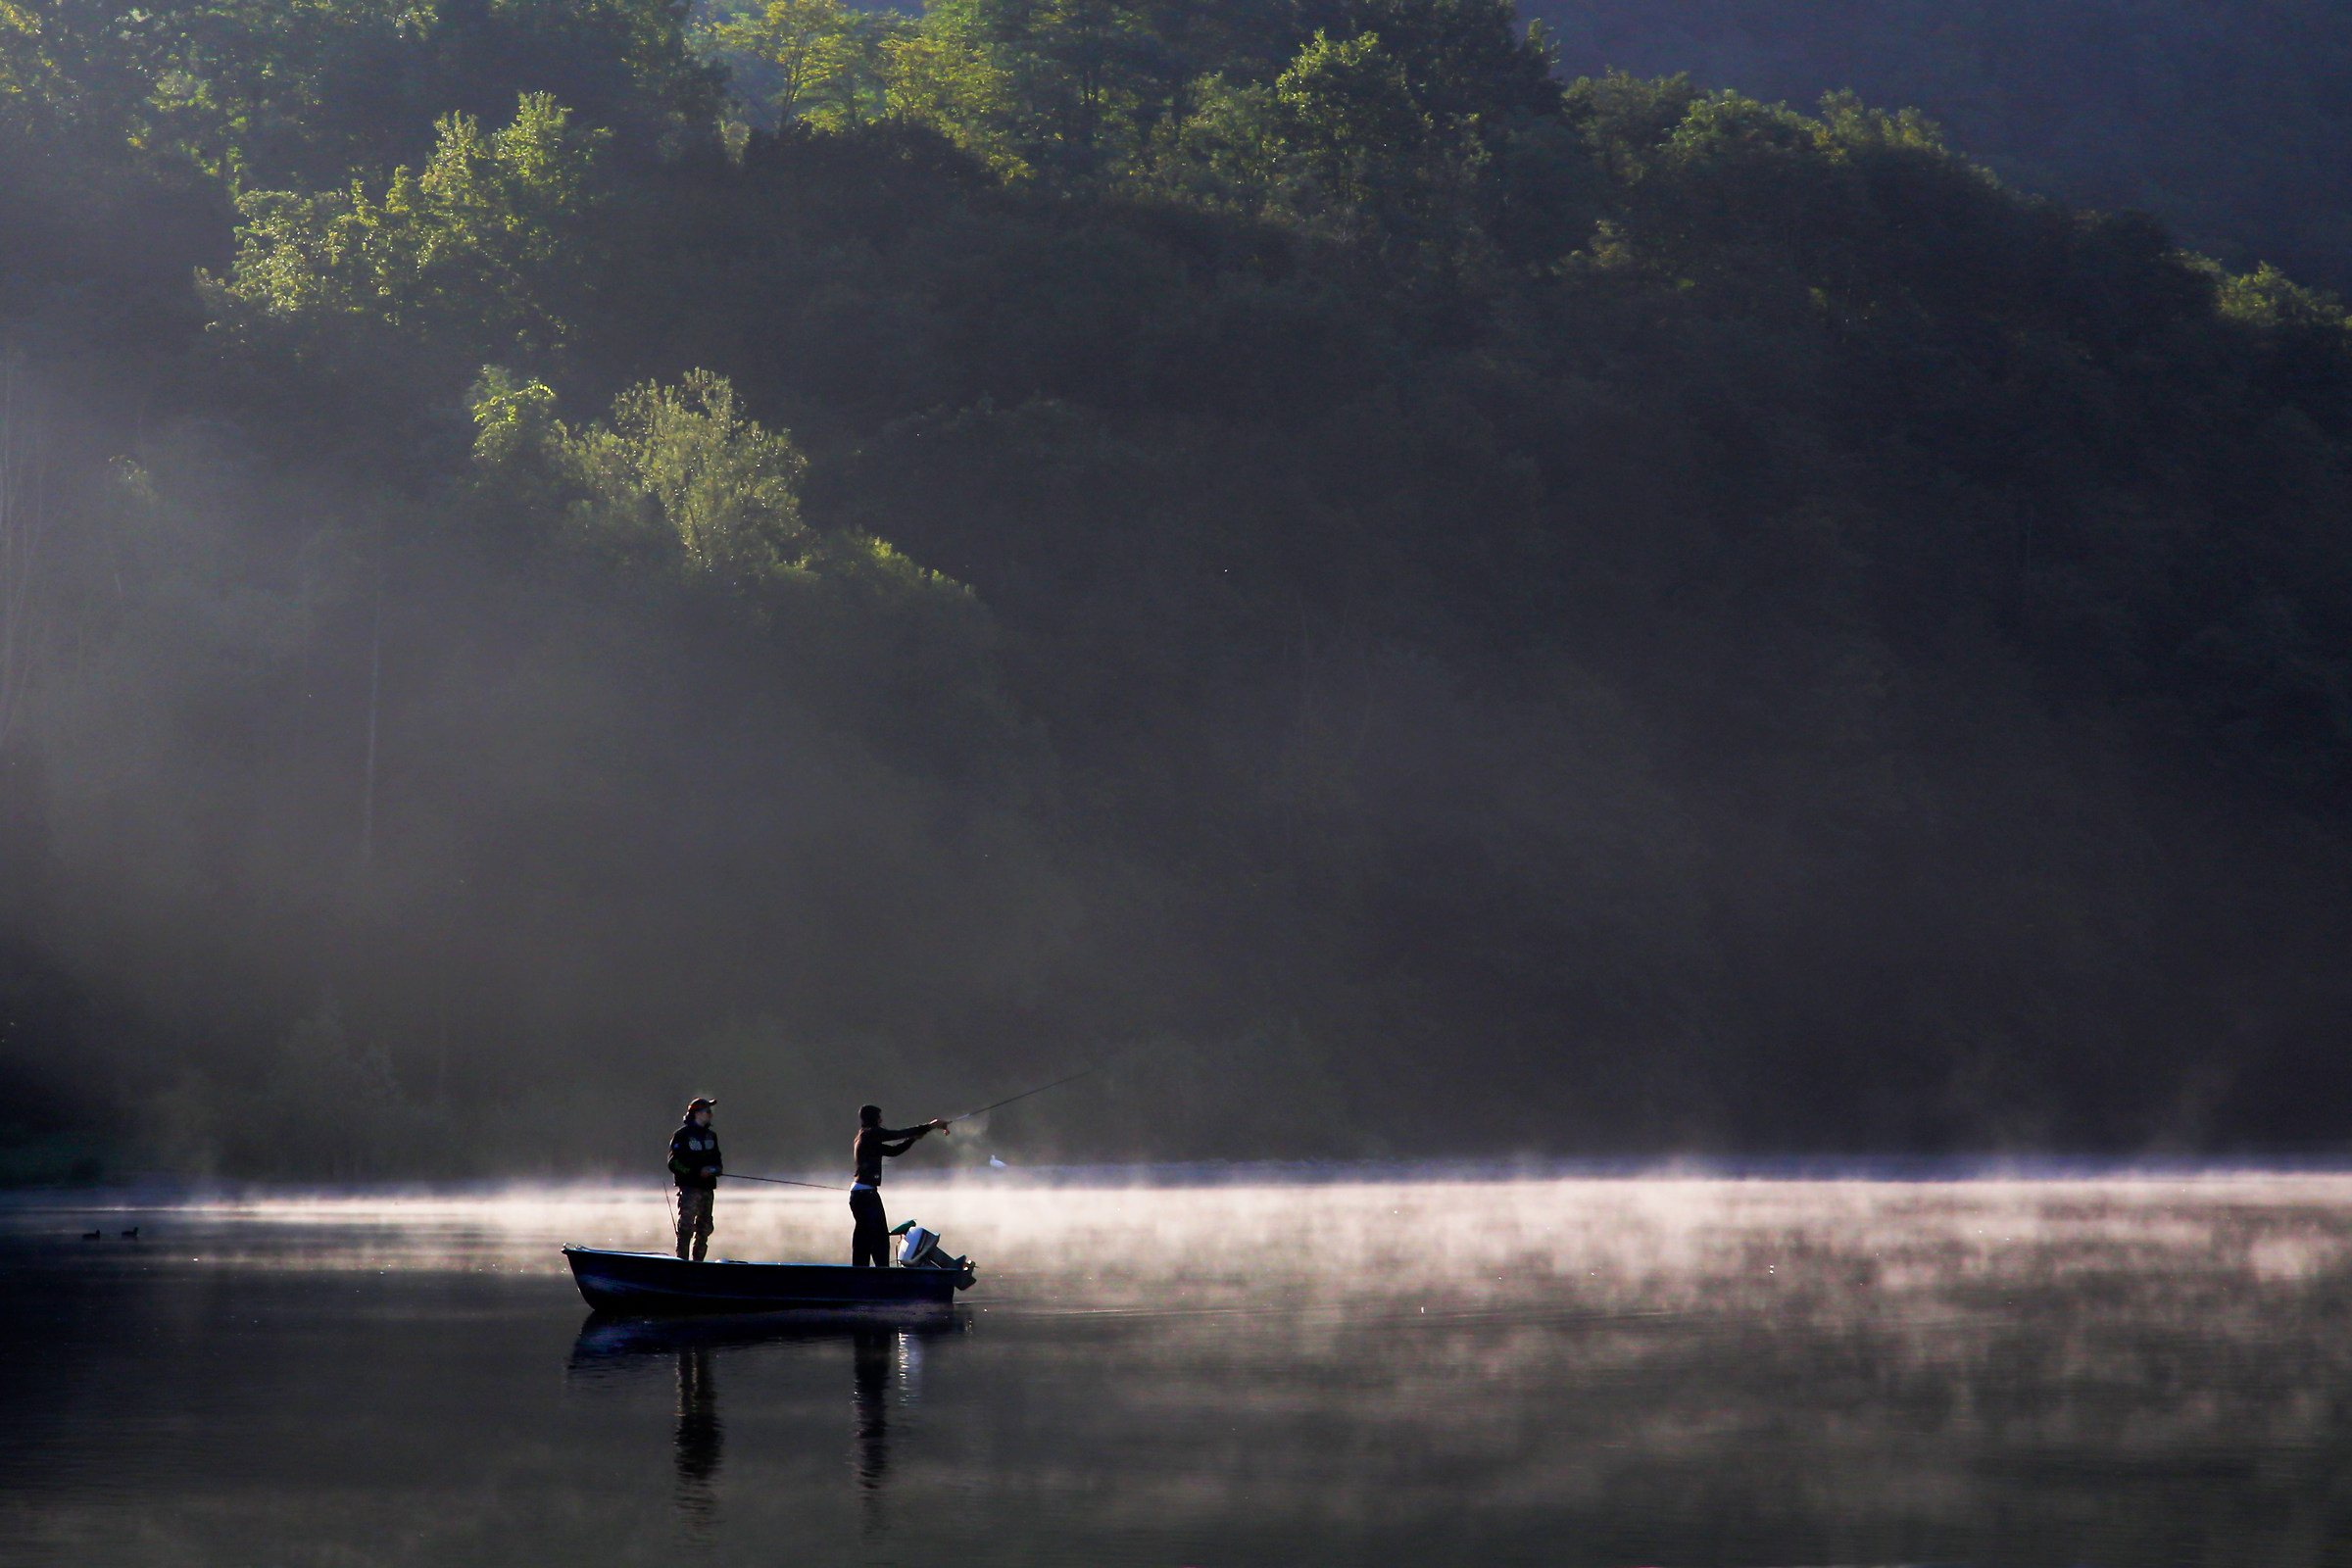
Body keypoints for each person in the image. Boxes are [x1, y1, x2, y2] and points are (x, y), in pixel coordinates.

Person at [850, 1104, 947, 1266]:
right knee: (879, 1237)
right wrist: (930, 1126)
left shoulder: (865, 1137)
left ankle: (860, 1270)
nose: (881, 1120)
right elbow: (897, 1134)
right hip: (866, 1195)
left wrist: (913, 1139)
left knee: (864, 1236)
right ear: (874, 1119)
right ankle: (881, 1272)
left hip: (861, 1194)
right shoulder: (871, 1134)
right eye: (879, 1117)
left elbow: (893, 1151)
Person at [669, 1098, 723, 1261]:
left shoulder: (711, 1136)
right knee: (686, 1228)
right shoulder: (682, 1135)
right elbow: (673, 1163)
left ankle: (698, 1263)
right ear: (697, 1113)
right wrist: (696, 1172)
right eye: (707, 1111)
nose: (710, 1114)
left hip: (707, 1189)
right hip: (689, 1189)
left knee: (704, 1228)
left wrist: (715, 1170)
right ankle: (682, 1262)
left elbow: (717, 1160)